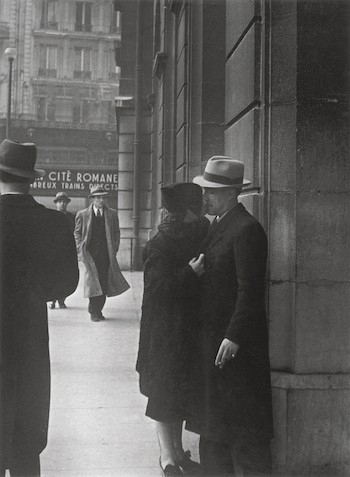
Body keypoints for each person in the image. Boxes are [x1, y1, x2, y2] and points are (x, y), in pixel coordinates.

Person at [187, 156, 273, 476]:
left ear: (231, 193)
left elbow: (250, 290)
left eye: (211, 191)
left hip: (235, 349)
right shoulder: (219, 224)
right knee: (213, 430)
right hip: (214, 343)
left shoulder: (247, 229)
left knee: (244, 435)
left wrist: (233, 336)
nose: (205, 196)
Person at [0, 139, 79, 477]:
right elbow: (67, 284)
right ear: (32, 179)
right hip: (31, 334)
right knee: (26, 438)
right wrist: (34, 292)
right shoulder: (56, 223)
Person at [136, 183, 209, 477]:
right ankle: (167, 458)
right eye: (199, 203)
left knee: (179, 393)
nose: (204, 206)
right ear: (187, 210)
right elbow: (156, 290)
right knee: (164, 393)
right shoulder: (160, 243)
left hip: (188, 329)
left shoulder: (202, 230)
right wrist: (189, 274)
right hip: (165, 331)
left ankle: (178, 452)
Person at [74, 185, 129, 322]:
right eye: (98, 197)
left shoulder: (112, 214)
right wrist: (80, 248)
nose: (101, 200)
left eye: (103, 197)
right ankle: (94, 311)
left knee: (104, 283)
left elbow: (116, 232)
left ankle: (98, 309)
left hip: (106, 255)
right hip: (90, 255)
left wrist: (114, 248)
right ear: (92, 199)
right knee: (93, 282)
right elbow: (77, 233)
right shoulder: (82, 214)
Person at [50, 191, 76, 309]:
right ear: (56, 203)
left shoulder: (71, 217)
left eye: (64, 202)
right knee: (53, 276)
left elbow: (75, 232)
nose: (62, 204)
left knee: (65, 276)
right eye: (59, 202)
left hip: (67, 251)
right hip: (54, 251)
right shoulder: (50, 216)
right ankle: (53, 300)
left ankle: (61, 300)